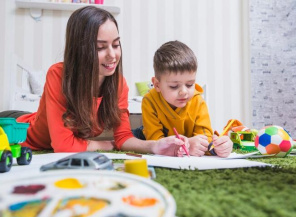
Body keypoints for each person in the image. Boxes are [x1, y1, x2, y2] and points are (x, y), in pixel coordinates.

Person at [0, 7, 187, 156]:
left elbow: (123, 137)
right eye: (100, 47)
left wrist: (155, 146)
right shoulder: (58, 75)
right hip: (17, 128)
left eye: (116, 44)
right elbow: (64, 146)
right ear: (81, 49)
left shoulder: (119, 85)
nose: (112, 55)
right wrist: (104, 144)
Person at [133, 41, 233, 157]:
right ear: (157, 85)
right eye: (174, 86)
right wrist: (188, 145)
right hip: (147, 136)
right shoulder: (149, 101)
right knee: (129, 139)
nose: (184, 92)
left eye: (190, 84)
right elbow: (156, 142)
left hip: (187, 139)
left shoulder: (198, 101)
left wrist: (219, 148)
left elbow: (206, 141)